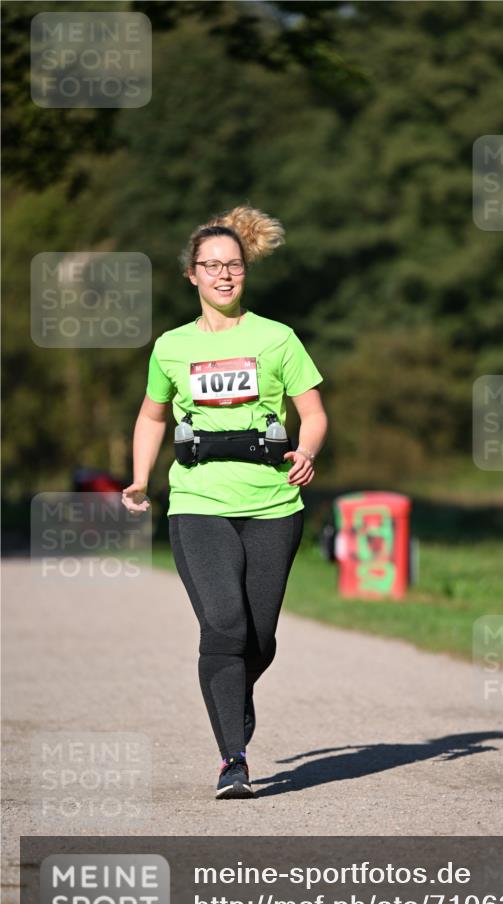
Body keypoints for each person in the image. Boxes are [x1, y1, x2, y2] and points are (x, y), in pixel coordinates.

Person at [121, 205, 327, 800]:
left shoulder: (277, 339)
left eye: (233, 265)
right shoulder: (171, 347)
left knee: (257, 639)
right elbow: (151, 415)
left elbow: (311, 412)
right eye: (211, 266)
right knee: (224, 622)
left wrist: (307, 450)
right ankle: (232, 759)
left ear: (246, 270)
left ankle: (235, 688)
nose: (223, 276)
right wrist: (140, 478)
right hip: (197, 499)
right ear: (192, 275)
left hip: (273, 504)